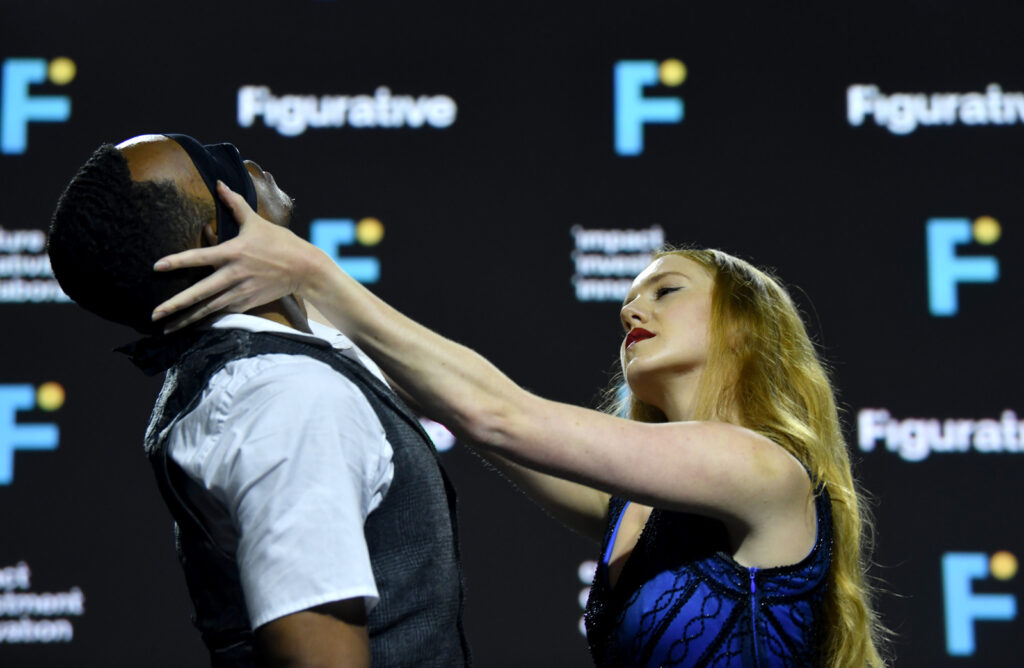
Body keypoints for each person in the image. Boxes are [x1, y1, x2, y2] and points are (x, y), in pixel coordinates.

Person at [152, 183, 889, 668]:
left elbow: (500, 415)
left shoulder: (763, 469)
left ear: (746, 331)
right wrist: (301, 317)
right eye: (629, 299)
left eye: (666, 291)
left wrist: (312, 275)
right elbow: (469, 416)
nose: (633, 311)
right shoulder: (633, 507)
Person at [46, 134, 470, 668]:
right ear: (214, 240)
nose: (233, 150)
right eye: (208, 160)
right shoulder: (284, 401)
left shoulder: (265, 368)